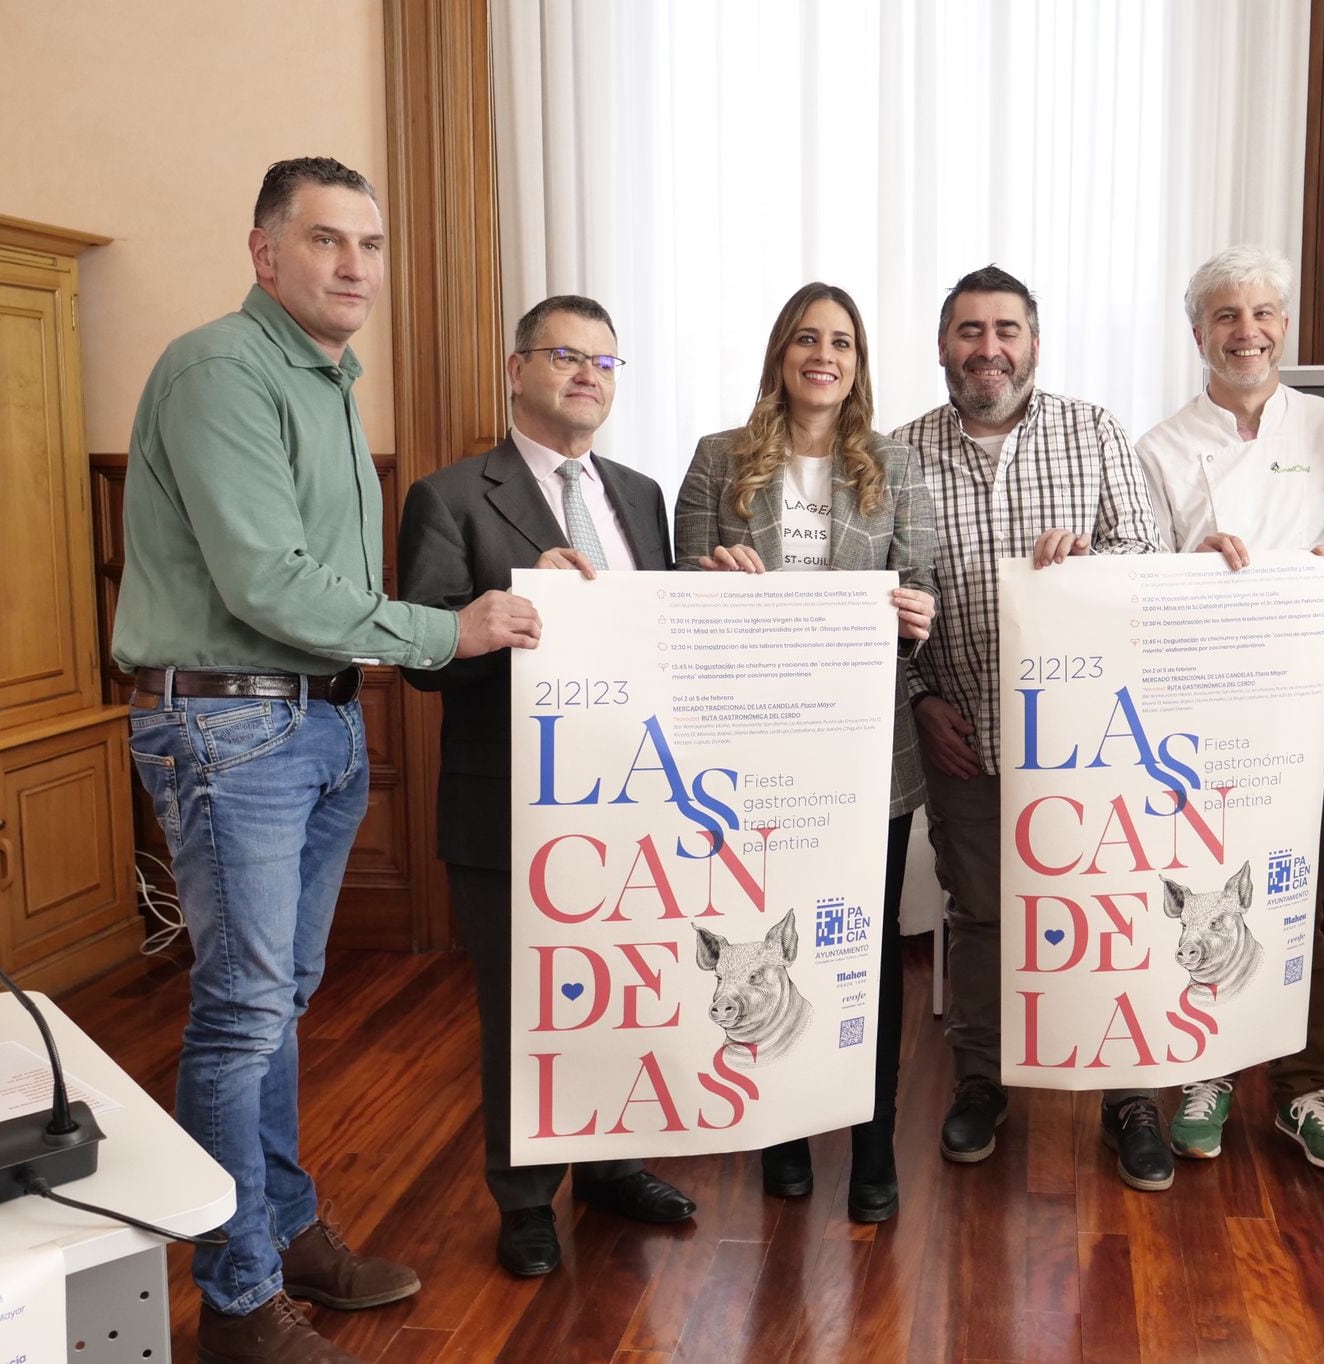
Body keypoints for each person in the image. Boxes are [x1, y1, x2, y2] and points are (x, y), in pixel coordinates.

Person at [116, 157, 540, 1364]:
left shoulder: (325, 381)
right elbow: (267, 584)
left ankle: (287, 1228)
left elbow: (326, 589)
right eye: (325, 241)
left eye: (371, 243)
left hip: (311, 721)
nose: (355, 265)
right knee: (243, 1011)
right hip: (232, 726)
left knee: (280, 1004)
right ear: (264, 253)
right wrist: (446, 630)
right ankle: (239, 1301)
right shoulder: (217, 371)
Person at [397, 294, 697, 1277]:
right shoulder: (449, 496)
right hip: (508, 803)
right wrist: (519, 606)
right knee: (522, 1004)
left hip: (629, 797)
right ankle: (524, 1195)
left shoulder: (640, 494)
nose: (586, 375)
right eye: (565, 356)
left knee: (620, 990)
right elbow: (425, 657)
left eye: (605, 362)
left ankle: (611, 1163)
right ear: (517, 369)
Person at [891, 266, 1169, 1189]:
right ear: (943, 346)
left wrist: (1089, 562)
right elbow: (883, 600)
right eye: (969, 331)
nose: (988, 348)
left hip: (1091, 745)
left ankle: (1127, 1095)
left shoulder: (1091, 430)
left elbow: (1151, 562)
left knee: (1107, 912)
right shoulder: (899, 453)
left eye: (1006, 329)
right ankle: (981, 1083)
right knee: (977, 915)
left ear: (1035, 343)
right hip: (964, 731)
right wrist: (922, 698)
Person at [673, 281, 938, 1222]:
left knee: (857, 947)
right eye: (805, 339)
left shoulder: (896, 465)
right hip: (751, 759)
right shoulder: (716, 462)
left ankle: (873, 1146)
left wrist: (919, 614)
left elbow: (929, 591)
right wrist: (711, 578)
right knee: (762, 943)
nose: (823, 355)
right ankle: (780, 1136)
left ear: (858, 365)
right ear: (780, 355)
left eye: (842, 343)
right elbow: (678, 607)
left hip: (870, 754)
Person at [1134, 244, 1324, 1172]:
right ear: (1197, 331)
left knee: (1294, 897)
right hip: (1195, 723)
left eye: (1263, 313)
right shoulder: (1158, 447)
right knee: (1201, 896)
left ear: (1285, 324)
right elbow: (1136, 583)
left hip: (1304, 716)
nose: (1248, 332)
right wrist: (1190, 567)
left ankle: (1299, 1090)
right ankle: (1203, 1073)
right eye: (1227, 316)